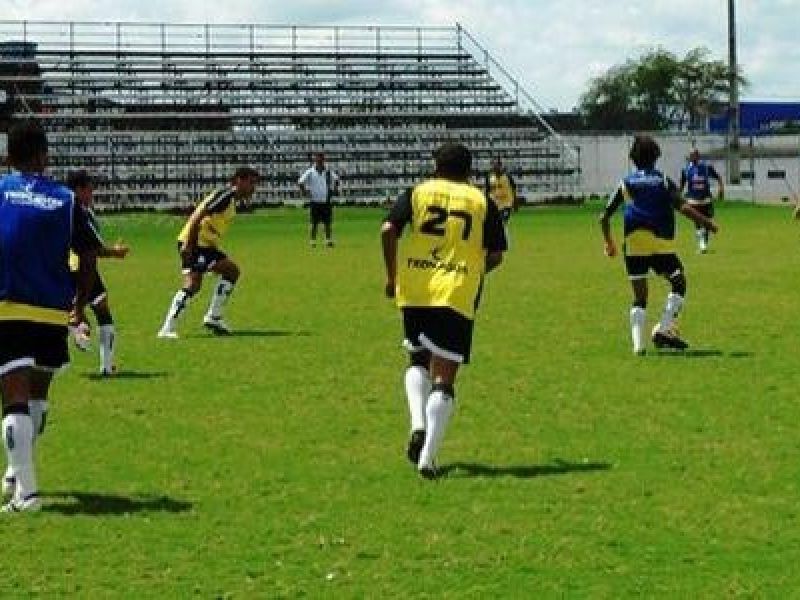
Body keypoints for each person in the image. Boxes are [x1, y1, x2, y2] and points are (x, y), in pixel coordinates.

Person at [381, 142, 507, 479]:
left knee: (417, 358)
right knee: (445, 375)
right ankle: (428, 456)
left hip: (416, 288)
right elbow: (497, 254)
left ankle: (417, 424)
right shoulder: (481, 201)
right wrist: (473, 272)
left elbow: (388, 229)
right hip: (457, 292)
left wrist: (392, 276)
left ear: (436, 167)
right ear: (469, 171)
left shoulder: (418, 192)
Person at [0, 120, 102, 512]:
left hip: (9, 308)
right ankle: (16, 471)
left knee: (13, 399)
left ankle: (27, 493)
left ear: (8, 156)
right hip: (51, 313)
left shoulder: (2, 191)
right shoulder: (67, 200)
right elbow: (89, 253)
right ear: (45, 156)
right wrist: (79, 304)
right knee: (37, 397)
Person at [600, 134, 719, 355]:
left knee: (640, 296)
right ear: (656, 156)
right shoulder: (662, 180)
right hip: (660, 243)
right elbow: (683, 207)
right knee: (679, 282)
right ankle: (663, 329)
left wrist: (609, 242)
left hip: (634, 243)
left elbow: (604, 216)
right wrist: (707, 223)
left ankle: (638, 346)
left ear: (633, 159)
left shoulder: (626, 182)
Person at [157, 166, 259, 338]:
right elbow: (198, 216)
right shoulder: (225, 196)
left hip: (206, 246)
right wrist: (189, 244)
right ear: (239, 181)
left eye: (255, 184)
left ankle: (214, 317)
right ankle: (167, 328)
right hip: (195, 244)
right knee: (193, 284)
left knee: (231, 271)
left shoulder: (230, 199)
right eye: (251, 183)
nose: (253, 188)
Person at [66, 170, 130, 376]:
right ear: (79, 189)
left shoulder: (71, 209)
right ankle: (79, 330)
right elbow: (91, 249)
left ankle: (80, 330)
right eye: (89, 189)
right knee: (98, 310)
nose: (92, 193)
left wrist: (112, 252)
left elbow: (93, 247)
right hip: (80, 266)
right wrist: (115, 252)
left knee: (93, 307)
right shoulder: (78, 212)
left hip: (68, 266)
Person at [679, 149, 724, 253]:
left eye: (695, 155)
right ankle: (702, 245)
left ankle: (704, 244)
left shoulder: (707, 167)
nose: (693, 157)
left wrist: (721, 189)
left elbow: (718, 177)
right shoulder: (686, 169)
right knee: (698, 222)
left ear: (698, 156)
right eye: (691, 155)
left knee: (707, 222)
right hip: (693, 200)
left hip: (706, 200)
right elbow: (682, 184)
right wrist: (678, 197)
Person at [298, 152, 340, 247]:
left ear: (323, 160)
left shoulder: (328, 171)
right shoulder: (310, 171)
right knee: (314, 222)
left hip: (326, 200)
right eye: (318, 159)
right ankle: (312, 241)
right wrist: (304, 192)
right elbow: (300, 182)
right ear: (315, 160)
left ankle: (328, 240)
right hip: (315, 200)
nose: (320, 161)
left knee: (327, 222)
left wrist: (334, 190)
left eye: (322, 159)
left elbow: (337, 179)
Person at [484, 157, 517, 224]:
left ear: (500, 166)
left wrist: (515, 201)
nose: (495, 167)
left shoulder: (507, 176)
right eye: (493, 165)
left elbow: (513, 188)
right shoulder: (489, 177)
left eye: (496, 165)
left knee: (503, 221)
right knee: (495, 223)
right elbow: (487, 190)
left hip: (506, 203)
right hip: (495, 204)